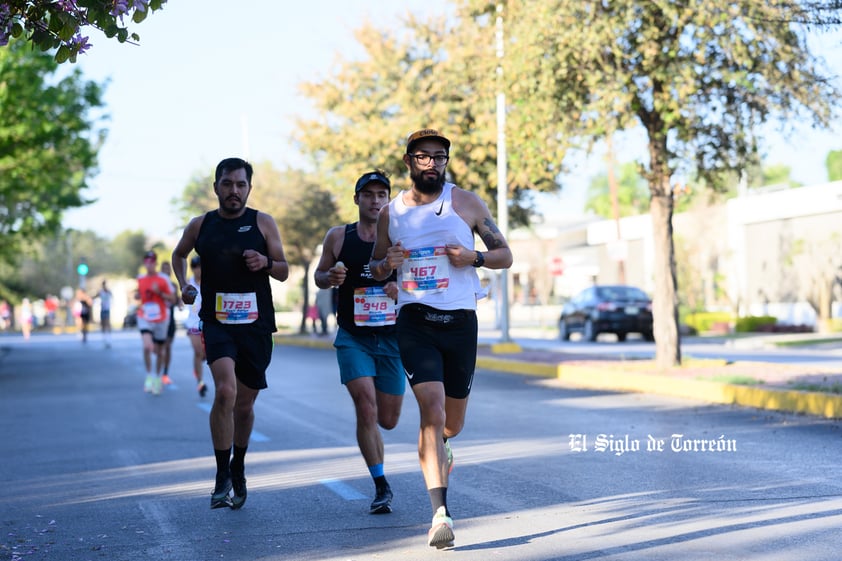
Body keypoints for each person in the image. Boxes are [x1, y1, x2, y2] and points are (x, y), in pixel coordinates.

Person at [370, 129, 513, 548]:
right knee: (430, 410)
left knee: (452, 422)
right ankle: (440, 515)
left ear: (446, 162)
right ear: (409, 161)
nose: (431, 163)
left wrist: (475, 257)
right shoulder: (390, 213)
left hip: (460, 321)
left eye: (439, 157)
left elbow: (505, 254)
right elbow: (377, 268)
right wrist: (387, 265)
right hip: (414, 319)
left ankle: (444, 443)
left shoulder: (465, 202)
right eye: (423, 157)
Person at [171, 157, 289, 510]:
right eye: (227, 184)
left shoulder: (263, 223)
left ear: (249, 188)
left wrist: (265, 263)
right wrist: (185, 284)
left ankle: (238, 465)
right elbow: (179, 255)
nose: (233, 191)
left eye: (240, 185)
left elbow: (283, 271)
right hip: (218, 321)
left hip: (256, 325)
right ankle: (222, 473)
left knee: (244, 404)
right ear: (216, 187)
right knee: (225, 390)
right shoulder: (201, 225)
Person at [314, 170, 404, 515]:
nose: (376, 201)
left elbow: (419, 281)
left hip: (393, 340)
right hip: (354, 338)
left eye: (382, 195)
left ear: (389, 200)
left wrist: (402, 289)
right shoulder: (339, 237)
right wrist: (330, 277)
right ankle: (381, 485)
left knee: (389, 419)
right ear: (357, 199)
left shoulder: (400, 237)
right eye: (369, 195)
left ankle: (380, 468)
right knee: (365, 406)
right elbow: (320, 276)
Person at [136, 251, 176, 395]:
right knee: (147, 346)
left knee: (160, 351)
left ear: (156, 263)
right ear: (144, 263)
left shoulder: (163, 279)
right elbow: (140, 294)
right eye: (147, 260)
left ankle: (158, 377)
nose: (149, 263)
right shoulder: (140, 279)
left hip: (161, 318)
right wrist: (136, 295)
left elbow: (172, 298)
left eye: (152, 261)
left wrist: (159, 293)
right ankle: (149, 376)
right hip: (145, 316)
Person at [183, 255, 208, 398]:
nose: (198, 270)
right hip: (193, 323)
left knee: (205, 354)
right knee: (198, 352)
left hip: (208, 323)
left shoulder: (210, 283)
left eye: (200, 267)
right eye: (195, 267)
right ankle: (200, 382)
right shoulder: (189, 284)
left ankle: (198, 370)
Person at [158, 261, 181, 385]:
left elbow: (176, 301)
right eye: (164, 268)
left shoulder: (173, 285)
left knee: (167, 347)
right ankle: (158, 370)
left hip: (170, 320)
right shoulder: (157, 284)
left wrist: (180, 302)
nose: (166, 271)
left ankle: (165, 373)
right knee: (159, 348)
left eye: (168, 269)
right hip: (159, 319)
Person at [96, 281, 113, 348]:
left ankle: (109, 338)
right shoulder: (101, 292)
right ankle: (104, 337)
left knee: (107, 323)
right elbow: (96, 296)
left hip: (107, 309)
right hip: (102, 309)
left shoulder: (108, 291)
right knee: (103, 324)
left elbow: (112, 297)